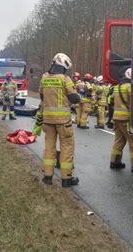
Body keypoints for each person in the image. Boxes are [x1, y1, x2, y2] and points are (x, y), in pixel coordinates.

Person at [39, 53, 80, 187]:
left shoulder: (44, 78)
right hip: (63, 122)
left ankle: (47, 177)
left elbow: (41, 95)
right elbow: (75, 98)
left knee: (49, 147)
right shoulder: (65, 79)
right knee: (67, 147)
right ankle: (66, 178)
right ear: (64, 66)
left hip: (48, 120)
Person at [110, 68, 133, 173]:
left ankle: (115, 162)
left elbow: (111, 101)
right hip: (126, 119)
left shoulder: (117, 87)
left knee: (119, 140)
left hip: (117, 118)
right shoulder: (129, 87)